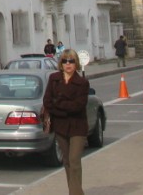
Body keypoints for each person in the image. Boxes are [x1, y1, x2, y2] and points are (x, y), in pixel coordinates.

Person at [42, 49, 89, 195]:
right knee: (67, 161)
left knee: (74, 160)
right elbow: (47, 102)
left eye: (71, 61)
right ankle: (74, 191)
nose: (68, 64)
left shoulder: (82, 82)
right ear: (61, 63)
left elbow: (78, 106)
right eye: (65, 61)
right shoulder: (54, 79)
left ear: (76, 63)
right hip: (60, 126)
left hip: (77, 127)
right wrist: (63, 108)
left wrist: (58, 105)